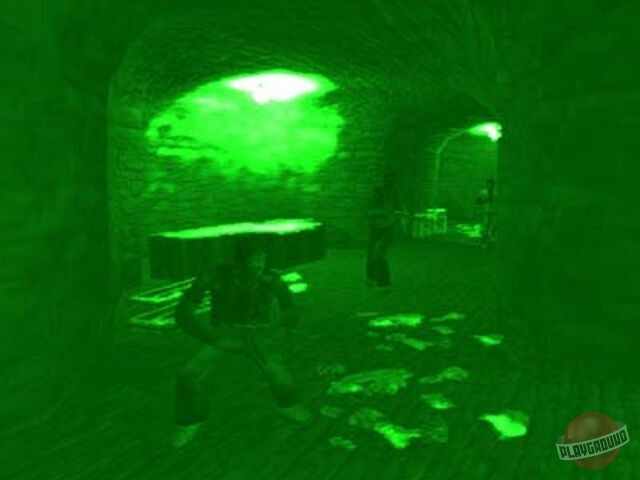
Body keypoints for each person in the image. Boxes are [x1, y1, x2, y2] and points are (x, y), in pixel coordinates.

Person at [172, 237, 312, 448]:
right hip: (224, 333)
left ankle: (287, 405)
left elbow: (290, 310)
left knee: (279, 373)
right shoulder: (215, 276)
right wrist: (211, 336)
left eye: (262, 260)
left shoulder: (271, 279)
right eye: (254, 260)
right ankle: (190, 420)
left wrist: (276, 328)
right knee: (189, 374)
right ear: (239, 262)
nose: (259, 265)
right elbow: (183, 311)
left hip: (258, 334)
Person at [366, 172, 400, 289]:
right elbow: (369, 211)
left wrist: (392, 214)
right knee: (371, 253)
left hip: (388, 226)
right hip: (375, 226)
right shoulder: (375, 193)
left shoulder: (394, 193)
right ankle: (371, 277)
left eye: (392, 179)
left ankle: (384, 283)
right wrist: (383, 212)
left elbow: (396, 208)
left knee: (379, 254)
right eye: (387, 179)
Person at [476, 178, 496, 247]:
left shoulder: (496, 193)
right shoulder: (483, 192)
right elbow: (477, 201)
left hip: (494, 212)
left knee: (493, 227)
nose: (489, 186)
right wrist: (485, 200)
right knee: (485, 227)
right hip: (485, 212)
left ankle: (491, 241)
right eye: (488, 184)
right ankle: (483, 242)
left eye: (491, 184)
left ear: (493, 185)